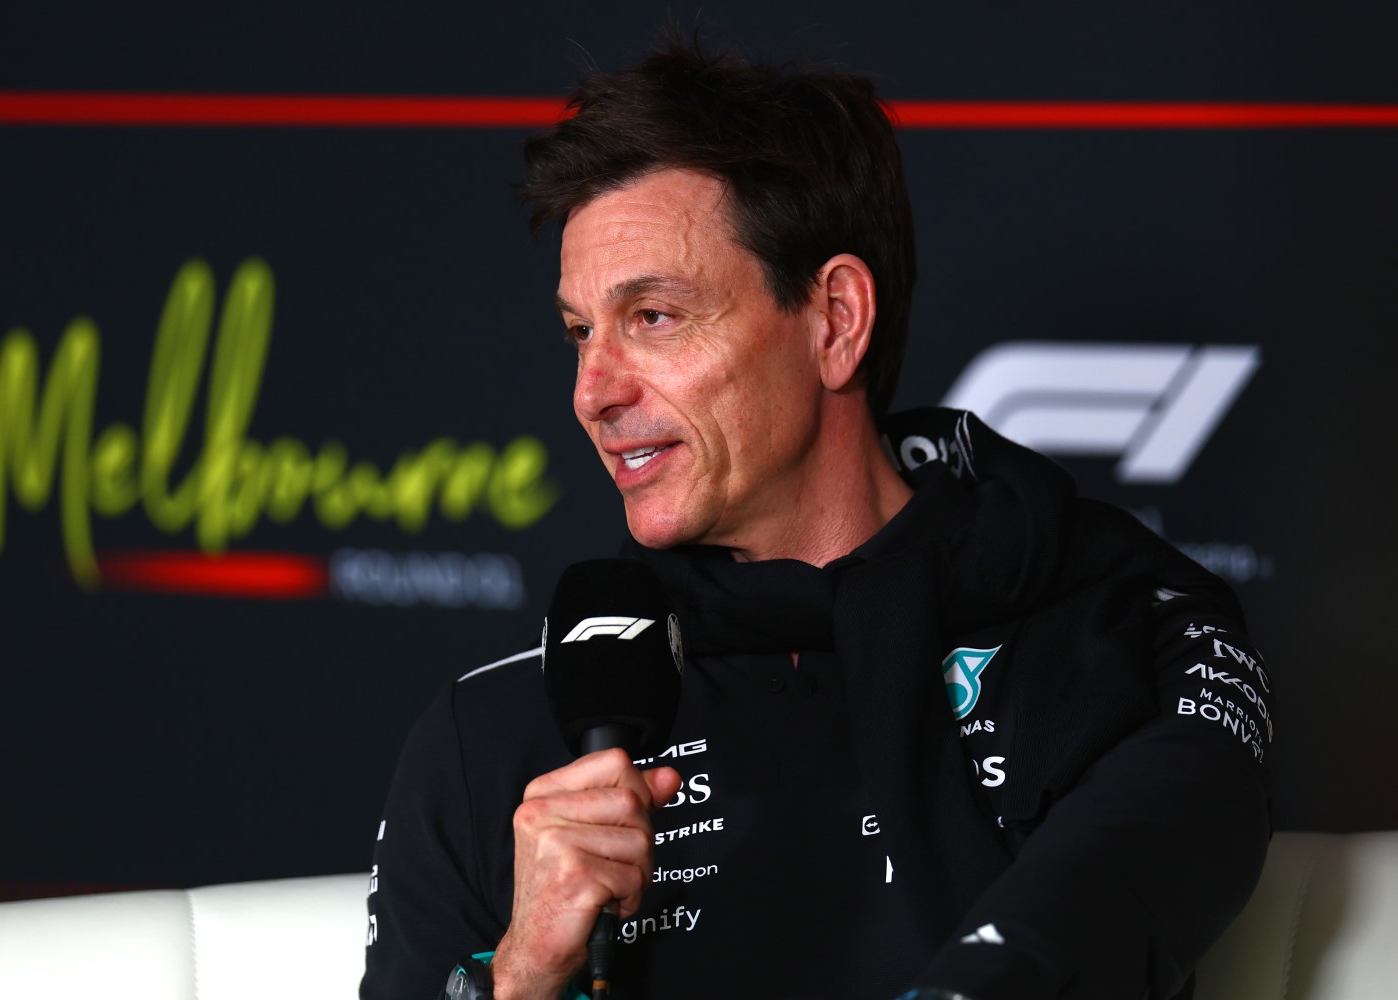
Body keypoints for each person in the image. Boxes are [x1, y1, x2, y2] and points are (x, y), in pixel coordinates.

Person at [361, 36, 1272, 1000]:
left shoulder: (1133, 633)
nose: (594, 391)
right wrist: (520, 975)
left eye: (655, 317)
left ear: (835, 320)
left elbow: (1091, 925)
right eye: (581, 331)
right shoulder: (493, 733)